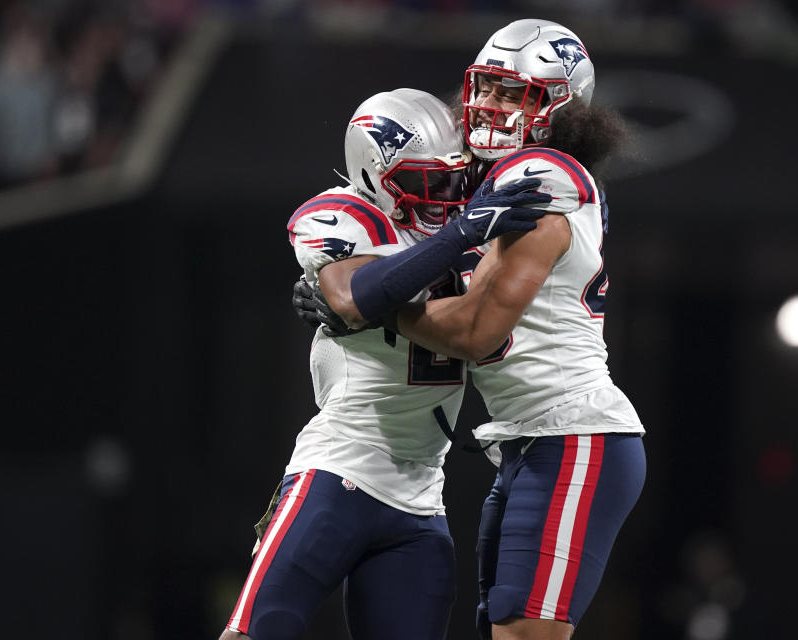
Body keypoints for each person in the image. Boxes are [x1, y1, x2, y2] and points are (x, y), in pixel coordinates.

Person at [294, 19, 647, 640]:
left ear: (562, 107)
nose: (488, 106)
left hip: (574, 432)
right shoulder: (487, 181)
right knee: (501, 627)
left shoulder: (542, 171)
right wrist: (352, 287)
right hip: (527, 440)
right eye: (486, 87)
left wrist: (362, 304)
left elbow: (473, 332)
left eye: (513, 94)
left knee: (523, 634)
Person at [219, 87, 549, 640]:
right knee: (258, 631)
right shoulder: (341, 214)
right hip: (341, 465)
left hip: (422, 492)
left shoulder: (471, 223)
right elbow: (353, 296)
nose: (450, 194)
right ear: (375, 175)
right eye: (429, 181)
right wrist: (461, 234)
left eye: (458, 177)